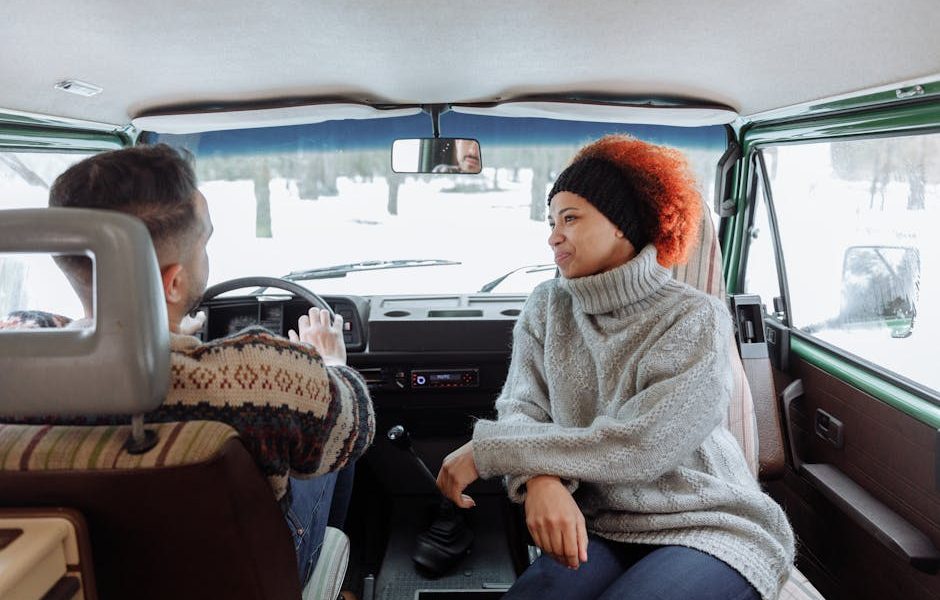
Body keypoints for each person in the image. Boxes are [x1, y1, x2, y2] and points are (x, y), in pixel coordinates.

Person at [436, 135, 794, 600]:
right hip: (603, 521)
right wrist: (539, 479)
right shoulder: (546, 306)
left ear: (623, 225)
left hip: (709, 521)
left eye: (570, 218)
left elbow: (644, 443)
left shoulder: (695, 317)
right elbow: (522, 408)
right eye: (551, 222)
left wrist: (493, 452)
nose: (553, 236)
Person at [2, 144, 374, 589]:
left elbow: (47, 325)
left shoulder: (16, 360)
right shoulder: (268, 377)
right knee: (325, 437)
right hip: (249, 579)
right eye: (205, 242)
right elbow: (356, 428)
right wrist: (329, 362)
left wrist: (173, 335)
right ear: (174, 282)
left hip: (82, 580)